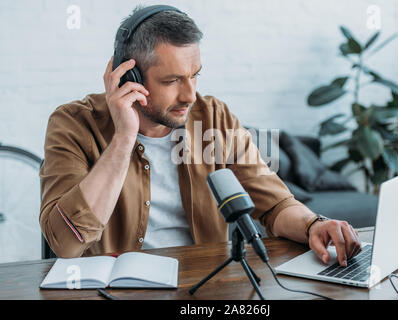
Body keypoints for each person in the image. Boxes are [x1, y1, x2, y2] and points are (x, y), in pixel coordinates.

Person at [40, 5, 361, 267]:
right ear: (128, 75)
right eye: (172, 81)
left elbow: (275, 204)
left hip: (204, 288)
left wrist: (313, 224)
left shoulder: (213, 118)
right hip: (118, 290)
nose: (190, 95)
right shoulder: (73, 125)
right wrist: (124, 138)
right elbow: (66, 244)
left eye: (194, 76)